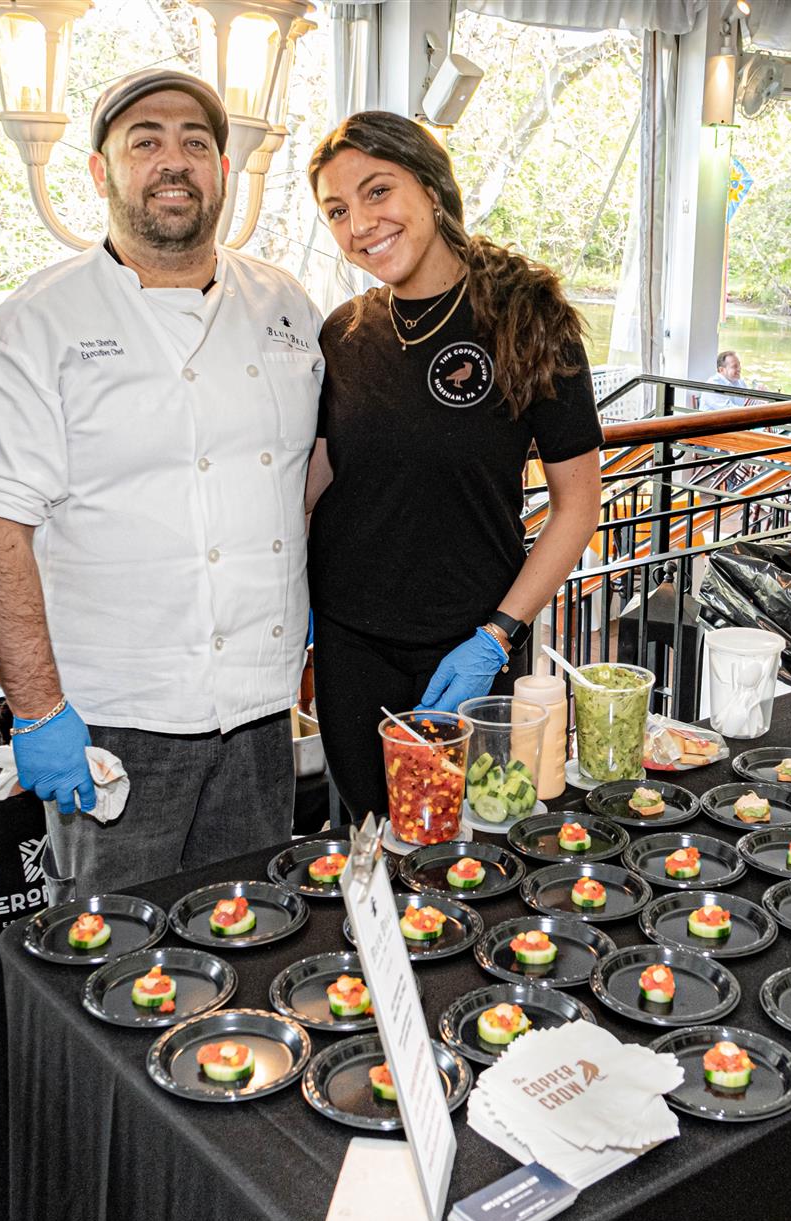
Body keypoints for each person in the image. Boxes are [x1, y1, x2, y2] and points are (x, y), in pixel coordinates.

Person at [0, 71, 320, 896]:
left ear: (223, 172)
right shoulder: (36, 320)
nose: (174, 160)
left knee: (254, 928)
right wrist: (38, 711)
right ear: (100, 172)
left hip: (260, 710)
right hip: (113, 719)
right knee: (115, 948)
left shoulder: (285, 303)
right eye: (145, 141)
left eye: (196, 143)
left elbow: (310, 473)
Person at [305, 110, 603, 820]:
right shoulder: (343, 332)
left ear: (433, 188)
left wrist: (497, 635)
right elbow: (315, 485)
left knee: (474, 838)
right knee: (375, 833)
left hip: (473, 641)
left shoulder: (529, 320)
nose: (360, 224)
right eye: (337, 211)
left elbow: (578, 507)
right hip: (351, 643)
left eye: (378, 191)